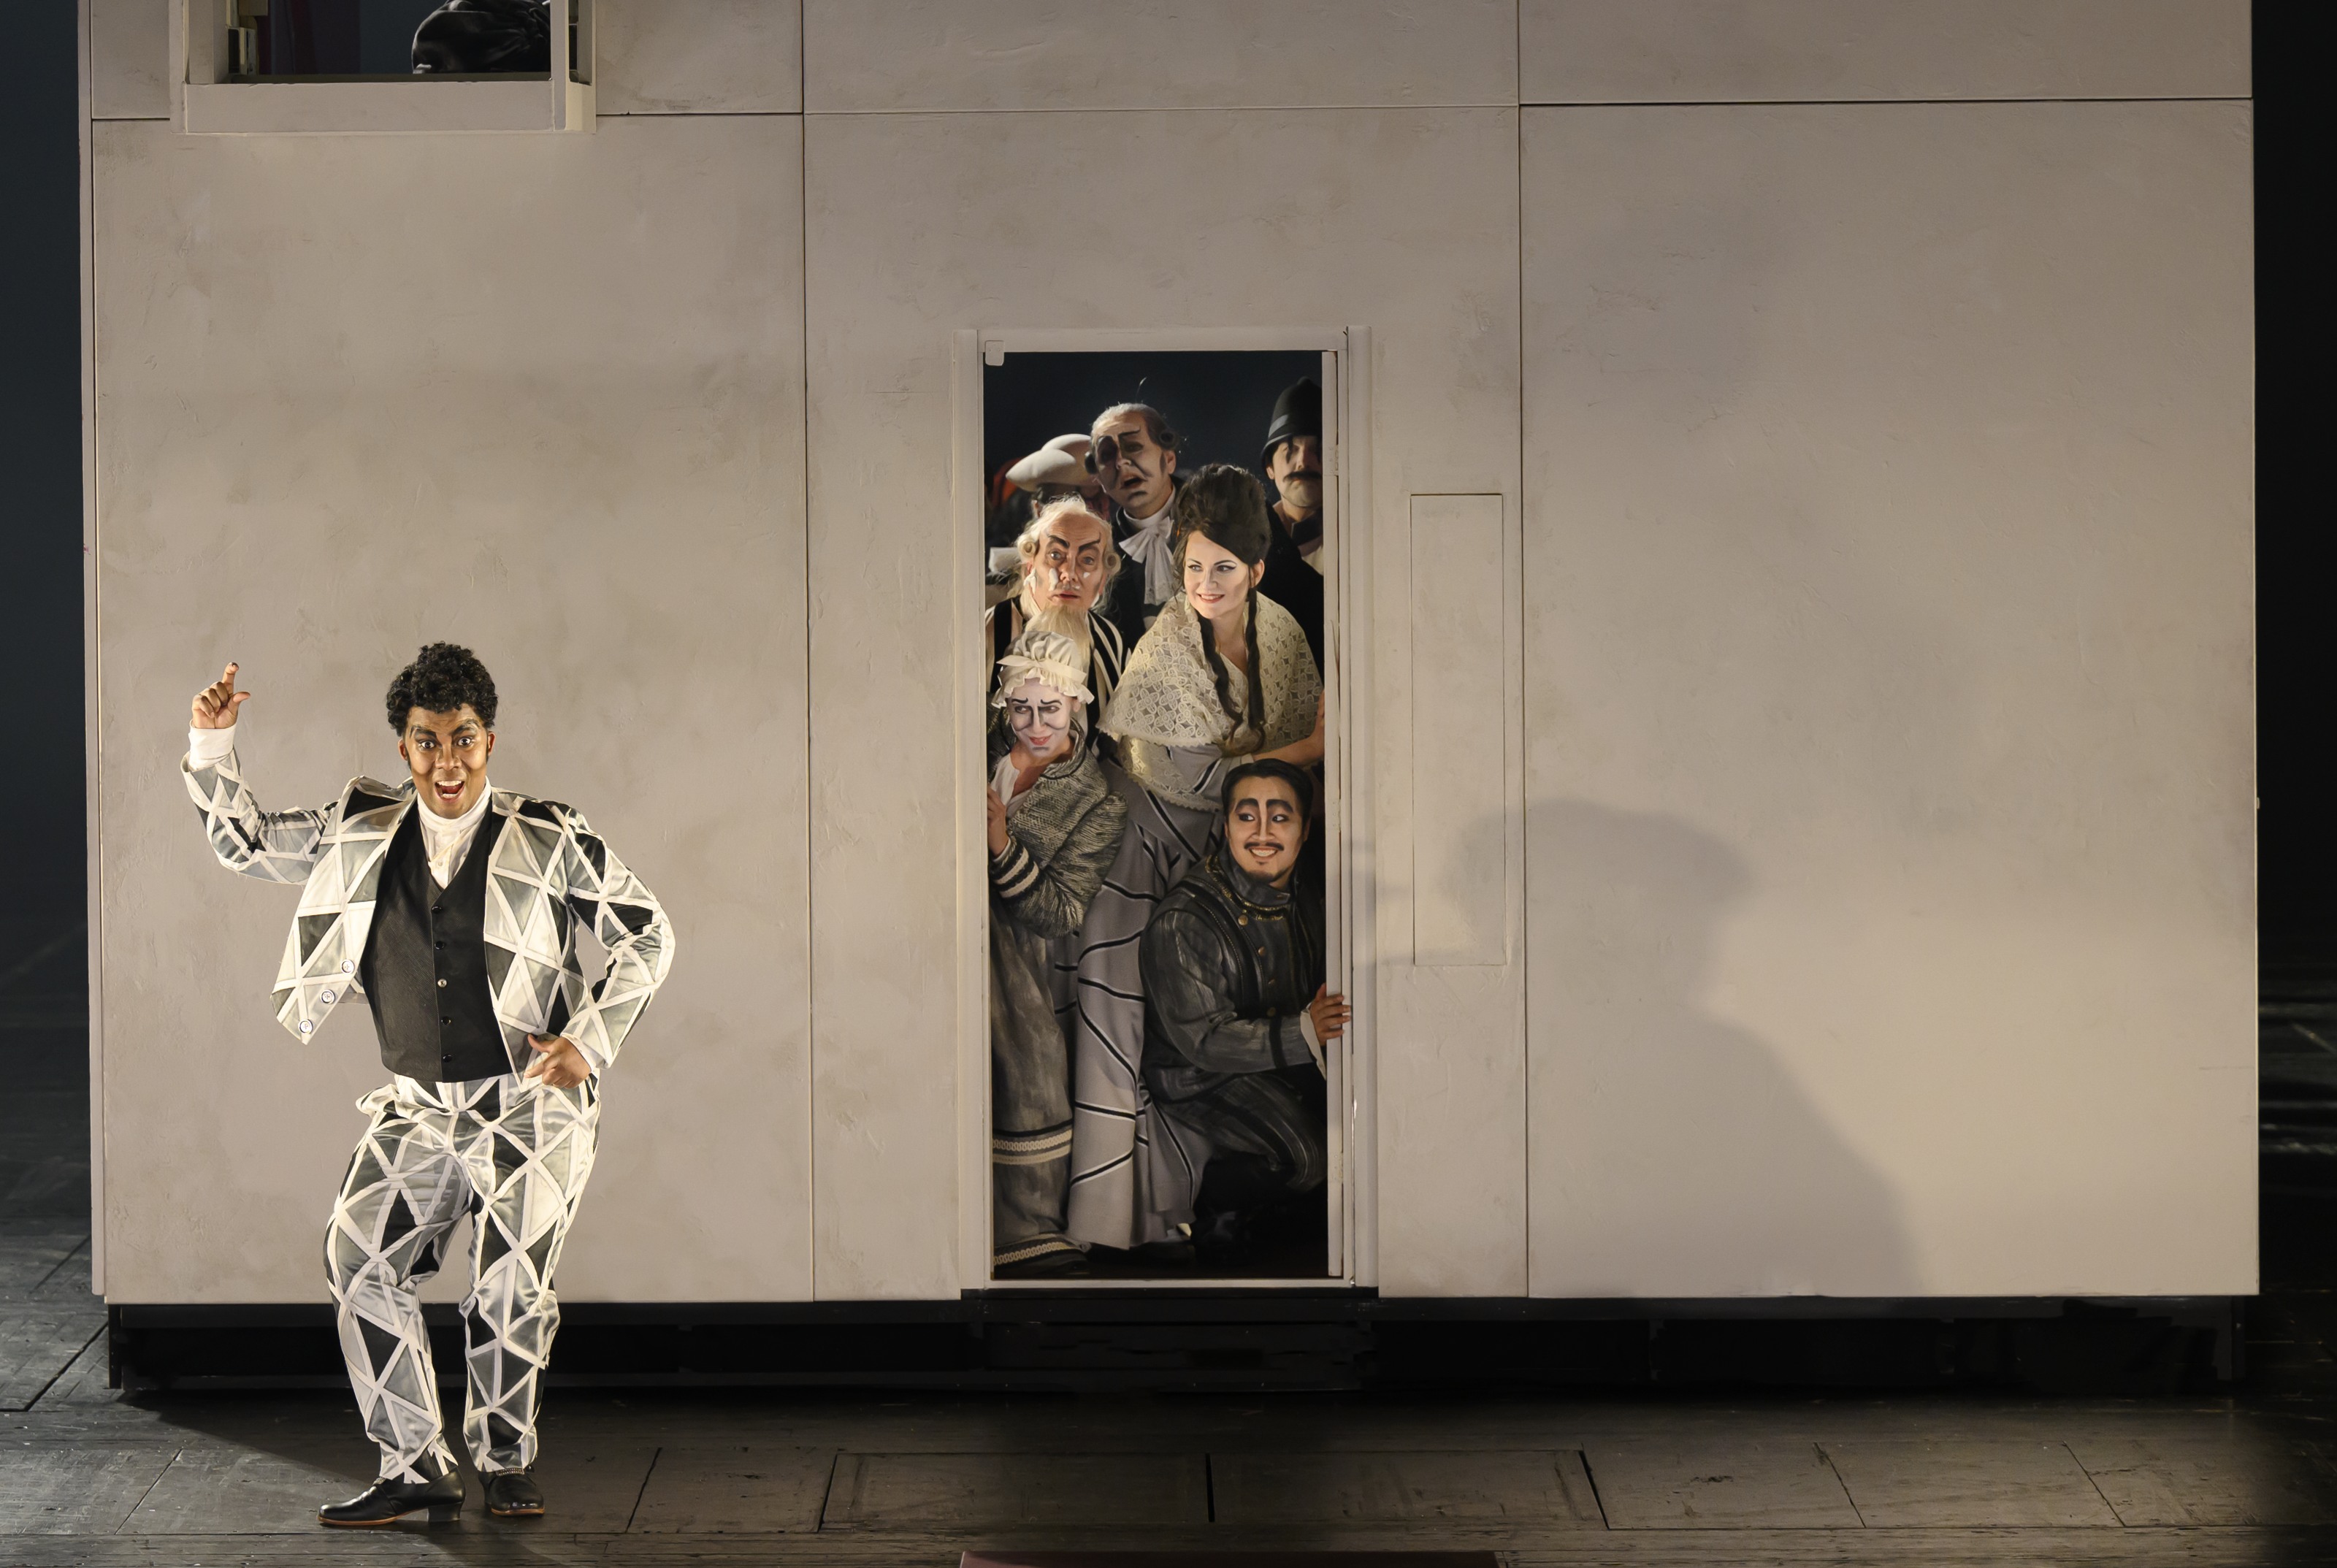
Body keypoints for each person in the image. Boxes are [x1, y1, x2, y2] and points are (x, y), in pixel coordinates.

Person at [182, 645, 673, 1527]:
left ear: (490, 739)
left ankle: (505, 1459)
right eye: (426, 741)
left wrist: (589, 1040)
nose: (447, 762)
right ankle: (414, 1464)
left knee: (508, 1289)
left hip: (527, 1105)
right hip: (416, 1109)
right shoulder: (360, 826)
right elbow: (245, 843)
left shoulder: (549, 832)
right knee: (358, 1258)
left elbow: (647, 933)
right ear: (402, 746)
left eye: (464, 739)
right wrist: (211, 742)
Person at [1066, 464, 1323, 1253]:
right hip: (1142, 851)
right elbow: (1215, 782)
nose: (1205, 585)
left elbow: (1273, 777)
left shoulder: (1280, 631)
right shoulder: (1165, 651)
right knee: (1117, 1032)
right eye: (1193, 567)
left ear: (1257, 569)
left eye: (1223, 568)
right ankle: (1112, 1226)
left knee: (1213, 1032)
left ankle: (1199, 1207)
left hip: (1221, 853)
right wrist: (1311, 747)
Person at [1142, 760, 1348, 1266]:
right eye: (1246, 816)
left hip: (1292, 1050)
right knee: (1309, 1155)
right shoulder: (1185, 919)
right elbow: (1204, 1041)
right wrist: (1304, 1032)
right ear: (1227, 824)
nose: (1261, 834)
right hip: (1200, 1074)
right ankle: (1216, 1204)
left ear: (1304, 830)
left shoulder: (1312, 882)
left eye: (1279, 817)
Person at [985, 615, 1128, 1277]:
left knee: (1026, 1073)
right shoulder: (978, 752)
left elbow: (1061, 911)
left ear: (1076, 703)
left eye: (1050, 709)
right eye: (1021, 709)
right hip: (948, 935)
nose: (1036, 724)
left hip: (1018, 960)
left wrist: (1000, 847)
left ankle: (1026, 1227)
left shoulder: (1097, 801)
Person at [983, 498, 1130, 722]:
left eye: (1087, 559)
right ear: (1029, 567)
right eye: (1055, 555)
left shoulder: (1113, 645)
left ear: (1102, 581)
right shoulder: (983, 635)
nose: (1069, 574)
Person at [1087, 402, 1185, 650]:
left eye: (1133, 447)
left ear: (1169, 459)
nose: (1121, 462)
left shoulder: (1228, 515)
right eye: (1107, 455)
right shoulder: (1099, 555)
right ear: (1099, 480)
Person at [1258, 378, 1327, 668]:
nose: (1303, 462)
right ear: (1270, 467)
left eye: (1318, 450)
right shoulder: (1248, 543)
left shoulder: (1357, 544)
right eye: (1290, 450)